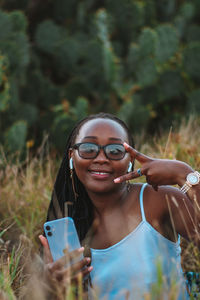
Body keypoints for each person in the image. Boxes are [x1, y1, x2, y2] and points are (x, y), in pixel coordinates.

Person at [39, 112, 200, 300]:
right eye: (88, 148)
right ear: (71, 157)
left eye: (115, 150)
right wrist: (51, 285)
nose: (101, 158)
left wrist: (184, 174)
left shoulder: (157, 200)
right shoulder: (66, 230)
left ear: (130, 160)